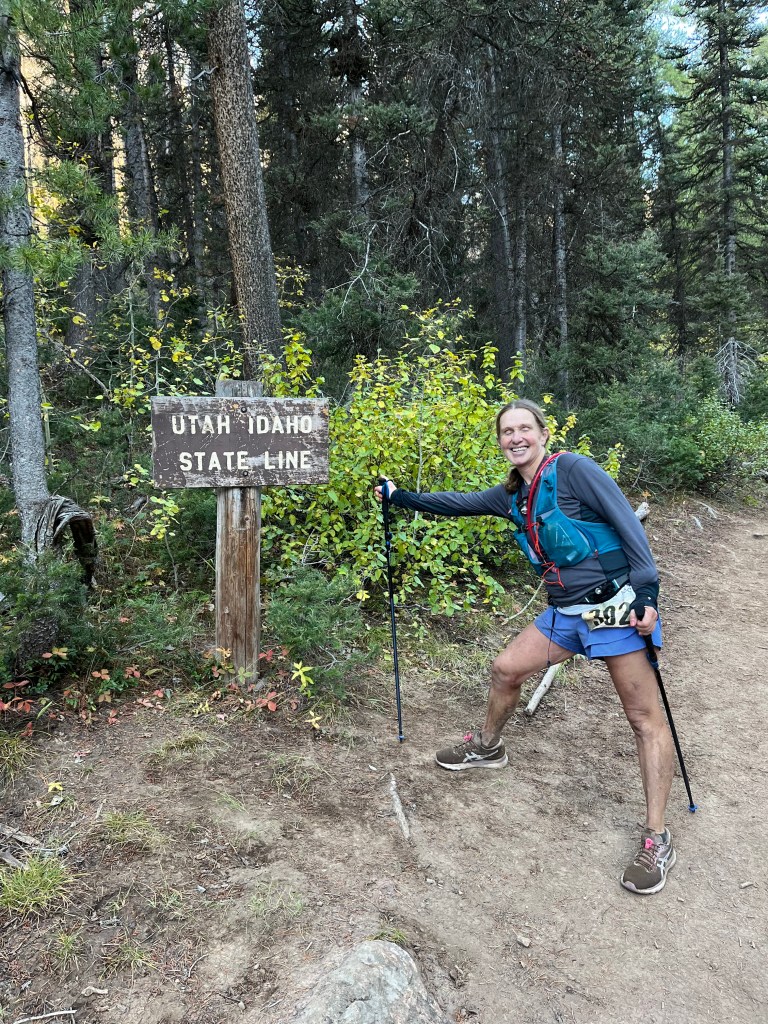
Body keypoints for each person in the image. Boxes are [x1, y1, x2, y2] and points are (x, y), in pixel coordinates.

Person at [374, 398, 677, 895]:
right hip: (565, 615)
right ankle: (487, 747)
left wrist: (647, 592)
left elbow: (627, 524)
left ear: (542, 433)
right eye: (506, 432)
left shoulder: (574, 470)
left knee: (644, 720)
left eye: (523, 428)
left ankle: (656, 837)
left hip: (614, 610)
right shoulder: (512, 495)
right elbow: (458, 502)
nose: (515, 438)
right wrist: (400, 496)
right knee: (506, 669)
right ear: (500, 442)